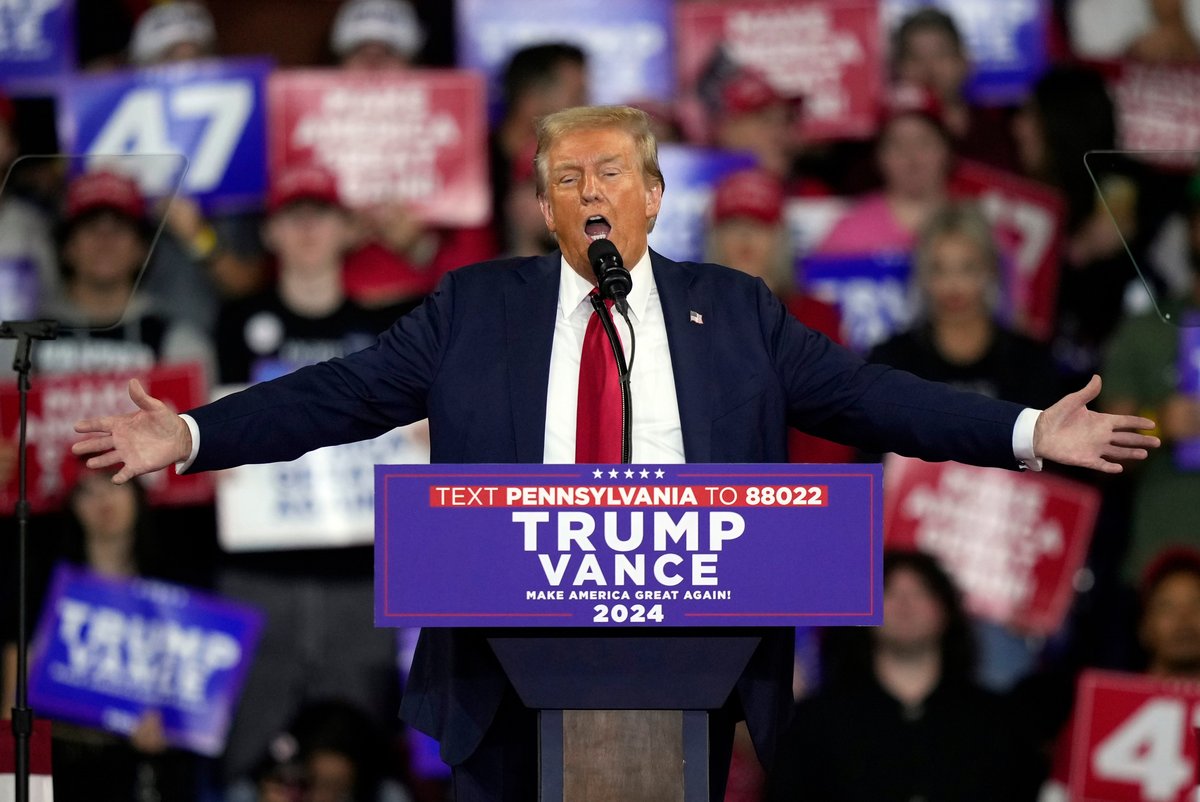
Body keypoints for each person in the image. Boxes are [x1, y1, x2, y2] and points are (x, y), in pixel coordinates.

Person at [71, 105, 1159, 801]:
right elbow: (344, 394)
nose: (587, 195)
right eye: (563, 180)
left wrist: (1026, 430)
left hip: (693, 647)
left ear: (653, 193)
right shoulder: (474, 308)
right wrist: (194, 432)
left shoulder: (735, 312)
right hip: (507, 652)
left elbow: (874, 398)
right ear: (542, 205)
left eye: (607, 175)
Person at [211, 164, 401, 788]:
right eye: (293, 215)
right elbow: (187, 437)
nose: (308, 228)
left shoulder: (388, 336)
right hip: (257, 578)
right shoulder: (230, 329)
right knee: (247, 761)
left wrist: (431, 432)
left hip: (362, 579)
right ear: (270, 232)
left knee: (353, 763)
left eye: (321, 214)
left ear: (350, 229)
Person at [764, 550, 1040, 801]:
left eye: (921, 591)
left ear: (946, 610)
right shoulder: (814, 723)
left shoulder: (998, 721)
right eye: (888, 591)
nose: (905, 604)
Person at [1, 470, 205, 802]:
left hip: (144, 771)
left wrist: (171, 726)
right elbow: (14, 702)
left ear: (138, 495)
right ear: (71, 506)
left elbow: (196, 696)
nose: (105, 501)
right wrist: (15, 790)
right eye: (87, 491)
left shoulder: (176, 594)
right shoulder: (41, 591)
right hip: (65, 765)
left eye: (116, 484)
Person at [816, 85, 953, 256]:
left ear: (946, 151)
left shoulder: (977, 228)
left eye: (923, 142)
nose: (912, 157)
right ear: (879, 157)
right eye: (897, 145)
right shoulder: (851, 232)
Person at [890, 7, 1019, 171]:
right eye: (915, 58)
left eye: (941, 55)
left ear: (964, 62)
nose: (930, 69)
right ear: (897, 69)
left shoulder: (999, 130)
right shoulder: (880, 137)